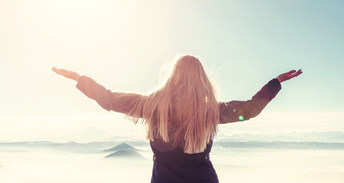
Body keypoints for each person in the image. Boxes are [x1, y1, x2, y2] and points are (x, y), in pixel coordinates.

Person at [52, 55, 302, 183]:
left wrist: (79, 79)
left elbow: (108, 99)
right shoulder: (211, 111)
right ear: (201, 80)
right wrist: (275, 83)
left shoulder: (151, 106)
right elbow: (250, 110)